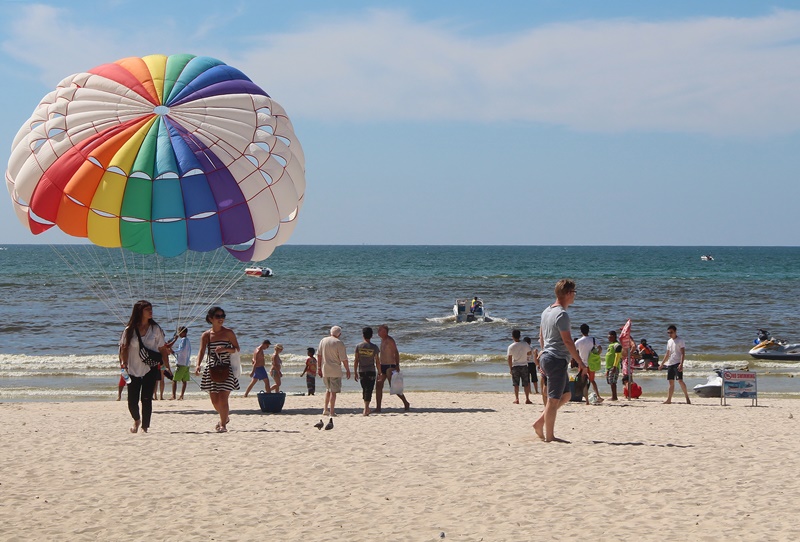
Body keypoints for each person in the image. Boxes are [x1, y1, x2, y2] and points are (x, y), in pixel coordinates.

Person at [532, 279, 587, 443]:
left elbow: (541, 337)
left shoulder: (546, 311)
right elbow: (568, 341)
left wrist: (542, 354)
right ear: (569, 293)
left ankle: (540, 422)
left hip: (548, 357)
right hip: (555, 359)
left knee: (567, 395)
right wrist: (580, 362)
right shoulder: (562, 314)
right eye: (574, 293)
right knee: (553, 399)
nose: (575, 296)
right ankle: (550, 436)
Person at [119, 300, 170, 433]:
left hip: (150, 367)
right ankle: (136, 420)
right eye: (147, 309)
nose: (151, 311)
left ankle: (144, 427)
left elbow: (162, 349)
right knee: (132, 400)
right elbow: (123, 348)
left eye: (151, 308)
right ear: (140, 311)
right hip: (132, 368)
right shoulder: (129, 330)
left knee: (147, 398)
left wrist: (166, 366)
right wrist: (123, 365)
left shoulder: (156, 329)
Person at [195, 306, 240, 433]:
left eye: (223, 316)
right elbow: (202, 351)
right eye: (218, 316)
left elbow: (236, 349)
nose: (221, 319)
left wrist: (225, 349)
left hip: (226, 368)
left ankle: (223, 425)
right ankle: (224, 417)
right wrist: (198, 365)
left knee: (222, 397)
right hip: (212, 369)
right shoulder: (206, 335)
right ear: (211, 318)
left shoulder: (228, 333)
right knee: (214, 400)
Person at [376, 324, 410, 412]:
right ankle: (378, 407)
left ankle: (406, 402)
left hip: (390, 366)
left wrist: (397, 365)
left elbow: (396, 352)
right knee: (378, 385)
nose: (378, 331)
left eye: (380, 330)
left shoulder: (389, 340)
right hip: (382, 366)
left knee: (394, 387)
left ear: (384, 332)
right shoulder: (382, 340)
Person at [317, 326, 350, 417]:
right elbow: (344, 358)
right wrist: (347, 369)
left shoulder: (323, 341)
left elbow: (319, 355)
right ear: (339, 334)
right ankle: (331, 411)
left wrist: (319, 367)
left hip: (325, 369)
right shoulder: (339, 343)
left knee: (328, 390)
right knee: (333, 391)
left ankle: (325, 409)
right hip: (335, 369)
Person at [659, 325, 691, 404]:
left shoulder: (680, 340)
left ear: (675, 332)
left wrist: (681, 363)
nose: (670, 334)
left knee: (680, 380)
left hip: (677, 363)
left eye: (671, 332)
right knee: (671, 382)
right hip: (670, 363)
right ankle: (669, 399)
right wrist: (662, 364)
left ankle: (687, 397)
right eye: (668, 333)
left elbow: (683, 353)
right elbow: (667, 354)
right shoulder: (669, 341)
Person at [574, 324, 603, 404]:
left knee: (583, 382)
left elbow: (573, 351)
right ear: (588, 330)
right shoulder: (593, 339)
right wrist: (597, 354)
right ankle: (598, 396)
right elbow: (600, 348)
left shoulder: (578, 341)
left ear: (581, 331)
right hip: (591, 363)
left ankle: (587, 401)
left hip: (582, 364)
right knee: (592, 380)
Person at [354, 327, 380, 416]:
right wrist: (379, 372)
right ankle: (366, 408)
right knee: (369, 389)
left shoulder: (358, 346)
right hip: (371, 370)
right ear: (372, 336)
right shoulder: (374, 347)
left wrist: (355, 371)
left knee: (365, 389)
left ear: (363, 335)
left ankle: (366, 407)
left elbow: (356, 360)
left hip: (362, 370)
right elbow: (377, 361)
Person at [508, 329, 533, 404]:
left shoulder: (511, 346)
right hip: (524, 365)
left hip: (515, 365)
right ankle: (527, 399)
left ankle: (517, 399)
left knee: (516, 384)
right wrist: (526, 358)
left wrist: (510, 368)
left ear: (512, 337)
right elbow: (529, 352)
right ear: (520, 336)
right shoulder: (525, 344)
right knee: (526, 383)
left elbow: (509, 358)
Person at [168, 326, 191, 400]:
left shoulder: (183, 340)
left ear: (184, 332)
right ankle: (181, 395)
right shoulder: (187, 340)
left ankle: (173, 396)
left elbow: (182, 349)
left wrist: (174, 352)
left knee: (174, 380)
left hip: (181, 363)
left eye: (180, 332)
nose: (179, 334)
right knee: (184, 380)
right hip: (187, 363)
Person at [605, 330, 622, 401]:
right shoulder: (610, 345)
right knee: (609, 381)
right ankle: (613, 396)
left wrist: (615, 366)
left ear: (614, 336)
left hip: (614, 366)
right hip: (609, 367)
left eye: (610, 337)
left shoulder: (616, 345)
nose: (608, 338)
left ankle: (614, 397)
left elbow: (617, 356)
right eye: (608, 337)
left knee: (613, 382)